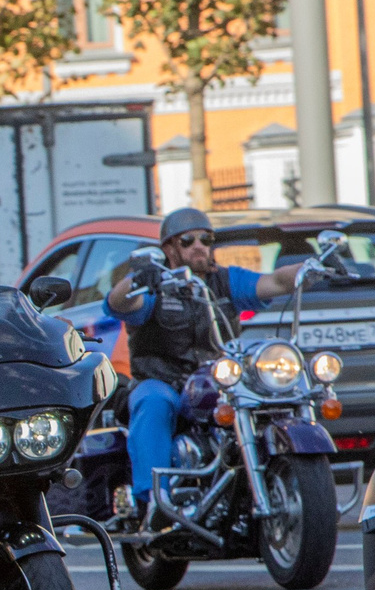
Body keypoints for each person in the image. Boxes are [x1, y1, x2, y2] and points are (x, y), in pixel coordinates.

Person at [104, 206, 303, 528]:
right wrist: (136, 279)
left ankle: (262, 478)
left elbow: (276, 281)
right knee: (154, 402)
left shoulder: (226, 281)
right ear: (169, 248)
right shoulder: (152, 285)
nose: (199, 246)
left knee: (267, 398)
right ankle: (152, 501)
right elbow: (119, 303)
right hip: (161, 378)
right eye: (188, 240)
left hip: (214, 379)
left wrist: (312, 267)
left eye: (206, 239)